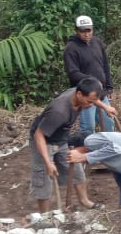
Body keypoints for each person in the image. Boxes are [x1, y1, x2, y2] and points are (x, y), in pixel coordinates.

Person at [29, 78, 113, 213]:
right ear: (79, 95)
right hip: (44, 140)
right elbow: (39, 135)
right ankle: (45, 215)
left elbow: (93, 98)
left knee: (77, 171)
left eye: (93, 102)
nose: (91, 105)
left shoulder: (80, 93)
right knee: (45, 178)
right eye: (89, 102)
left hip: (61, 139)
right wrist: (48, 162)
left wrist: (105, 107)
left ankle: (84, 201)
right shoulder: (59, 111)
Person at [63, 15, 114, 133]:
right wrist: (93, 81)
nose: (86, 34)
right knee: (88, 128)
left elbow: (105, 65)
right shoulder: (71, 49)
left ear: (92, 29)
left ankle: (107, 149)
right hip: (85, 95)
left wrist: (109, 87)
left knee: (108, 123)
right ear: (76, 31)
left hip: (101, 92)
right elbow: (73, 73)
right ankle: (82, 150)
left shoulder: (97, 42)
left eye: (89, 30)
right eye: (82, 31)